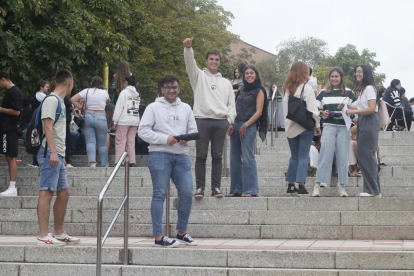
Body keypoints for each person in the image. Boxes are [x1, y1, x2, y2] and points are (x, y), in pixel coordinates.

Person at [138, 75, 198, 247]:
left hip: (181, 156)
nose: (172, 90)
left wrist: (186, 139)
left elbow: (194, 132)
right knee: (159, 194)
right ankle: (159, 237)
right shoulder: (153, 107)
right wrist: (165, 139)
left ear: (179, 89)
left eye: (175, 87)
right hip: (160, 154)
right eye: (168, 87)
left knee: (187, 193)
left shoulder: (186, 108)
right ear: (162, 89)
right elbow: (143, 131)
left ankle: (181, 232)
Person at [183, 37, 236, 198]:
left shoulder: (226, 83)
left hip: (221, 122)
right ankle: (200, 188)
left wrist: (229, 120)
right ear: (206, 61)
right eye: (211, 59)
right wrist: (188, 49)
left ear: (219, 62)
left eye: (216, 59)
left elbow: (231, 105)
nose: (214, 62)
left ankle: (216, 188)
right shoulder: (198, 76)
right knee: (200, 155)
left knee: (217, 156)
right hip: (202, 119)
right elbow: (190, 64)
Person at [36, 68, 80, 246]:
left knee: (64, 192)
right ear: (69, 82)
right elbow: (48, 127)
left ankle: (59, 232)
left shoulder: (60, 101)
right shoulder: (52, 100)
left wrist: (60, 155)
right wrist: (53, 151)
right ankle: (43, 235)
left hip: (57, 154)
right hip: (49, 152)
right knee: (47, 192)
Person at [312, 68, 357, 197]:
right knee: (325, 155)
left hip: (344, 127)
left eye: (336, 76)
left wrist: (347, 112)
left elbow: (356, 108)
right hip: (328, 126)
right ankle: (317, 185)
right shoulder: (323, 92)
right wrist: (323, 112)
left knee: (343, 156)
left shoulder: (349, 93)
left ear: (341, 77)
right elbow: (316, 107)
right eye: (332, 76)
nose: (334, 79)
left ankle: (342, 186)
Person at [339, 65, 381, 197]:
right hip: (363, 121)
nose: (356, 74)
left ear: (365, 73)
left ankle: (373, 190)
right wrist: (346, 106)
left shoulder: (369, 88)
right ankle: (372, 189)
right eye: (356, 71)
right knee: (363, 156)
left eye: (359, 72)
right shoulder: (363, 90)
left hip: (369, 121)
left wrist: (353, 111)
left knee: (367, 155)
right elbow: (358, 106)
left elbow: (372, 108)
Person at [226, 65, 267, 197]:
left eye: (252, 73)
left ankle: (251, 190)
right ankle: (236, 189)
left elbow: (259, 112)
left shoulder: (259, 90)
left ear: (256, 75)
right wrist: (231, 123)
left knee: (248, 158)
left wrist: (246, 125)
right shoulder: (242, 89)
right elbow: (235, 107)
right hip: (236, 124)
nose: (249, 75)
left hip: (248, 126)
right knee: (234, 158)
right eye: (247, 73)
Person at [282, 62, 321, 195]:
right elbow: (312, 109)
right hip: (304, 127)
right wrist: (317, 125)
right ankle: (302, 185)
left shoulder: (287, 89)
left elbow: (285, 110)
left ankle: (291, 185)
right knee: (303, 156)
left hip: (290, 127)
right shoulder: (307, 87)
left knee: (294, 157)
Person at [71, 76, 110, 167]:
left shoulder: (86, 91)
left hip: (88, 116)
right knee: (102, 143)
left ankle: (92, 162)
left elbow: (72, 99)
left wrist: (81, 107)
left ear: (91, 82)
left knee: (90, 142)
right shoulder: (104, 92)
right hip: (101, 117)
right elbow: (108, 101)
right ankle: (104, 163)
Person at [0, 70, 23, 196]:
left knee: (11, 156)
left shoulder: (15, 92)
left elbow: (17, 111)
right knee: (8, 156)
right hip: (6, 129)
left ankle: (13, 187)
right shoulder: (11, 91)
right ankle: (11, 186)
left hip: (11, 129)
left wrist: (0, 109)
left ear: (2, 79)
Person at [113, 75, 140, 166]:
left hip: (124, 120)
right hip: (134, 120)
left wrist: (115, 121)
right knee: (131, 141)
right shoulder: (137, 94)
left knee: (121, 141)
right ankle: (132, 161)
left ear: (126, 83)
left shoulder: (124, 93)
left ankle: (120, 161)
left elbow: (119, 107)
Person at [29, 80, 50, 167]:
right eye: (46, 87)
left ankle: (36, 161)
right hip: (39, 122)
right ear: (41, 87)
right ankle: (37, 161)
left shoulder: (39, 96)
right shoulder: (41, 96)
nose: (48, 89)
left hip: (37, 122)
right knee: (39, 140)